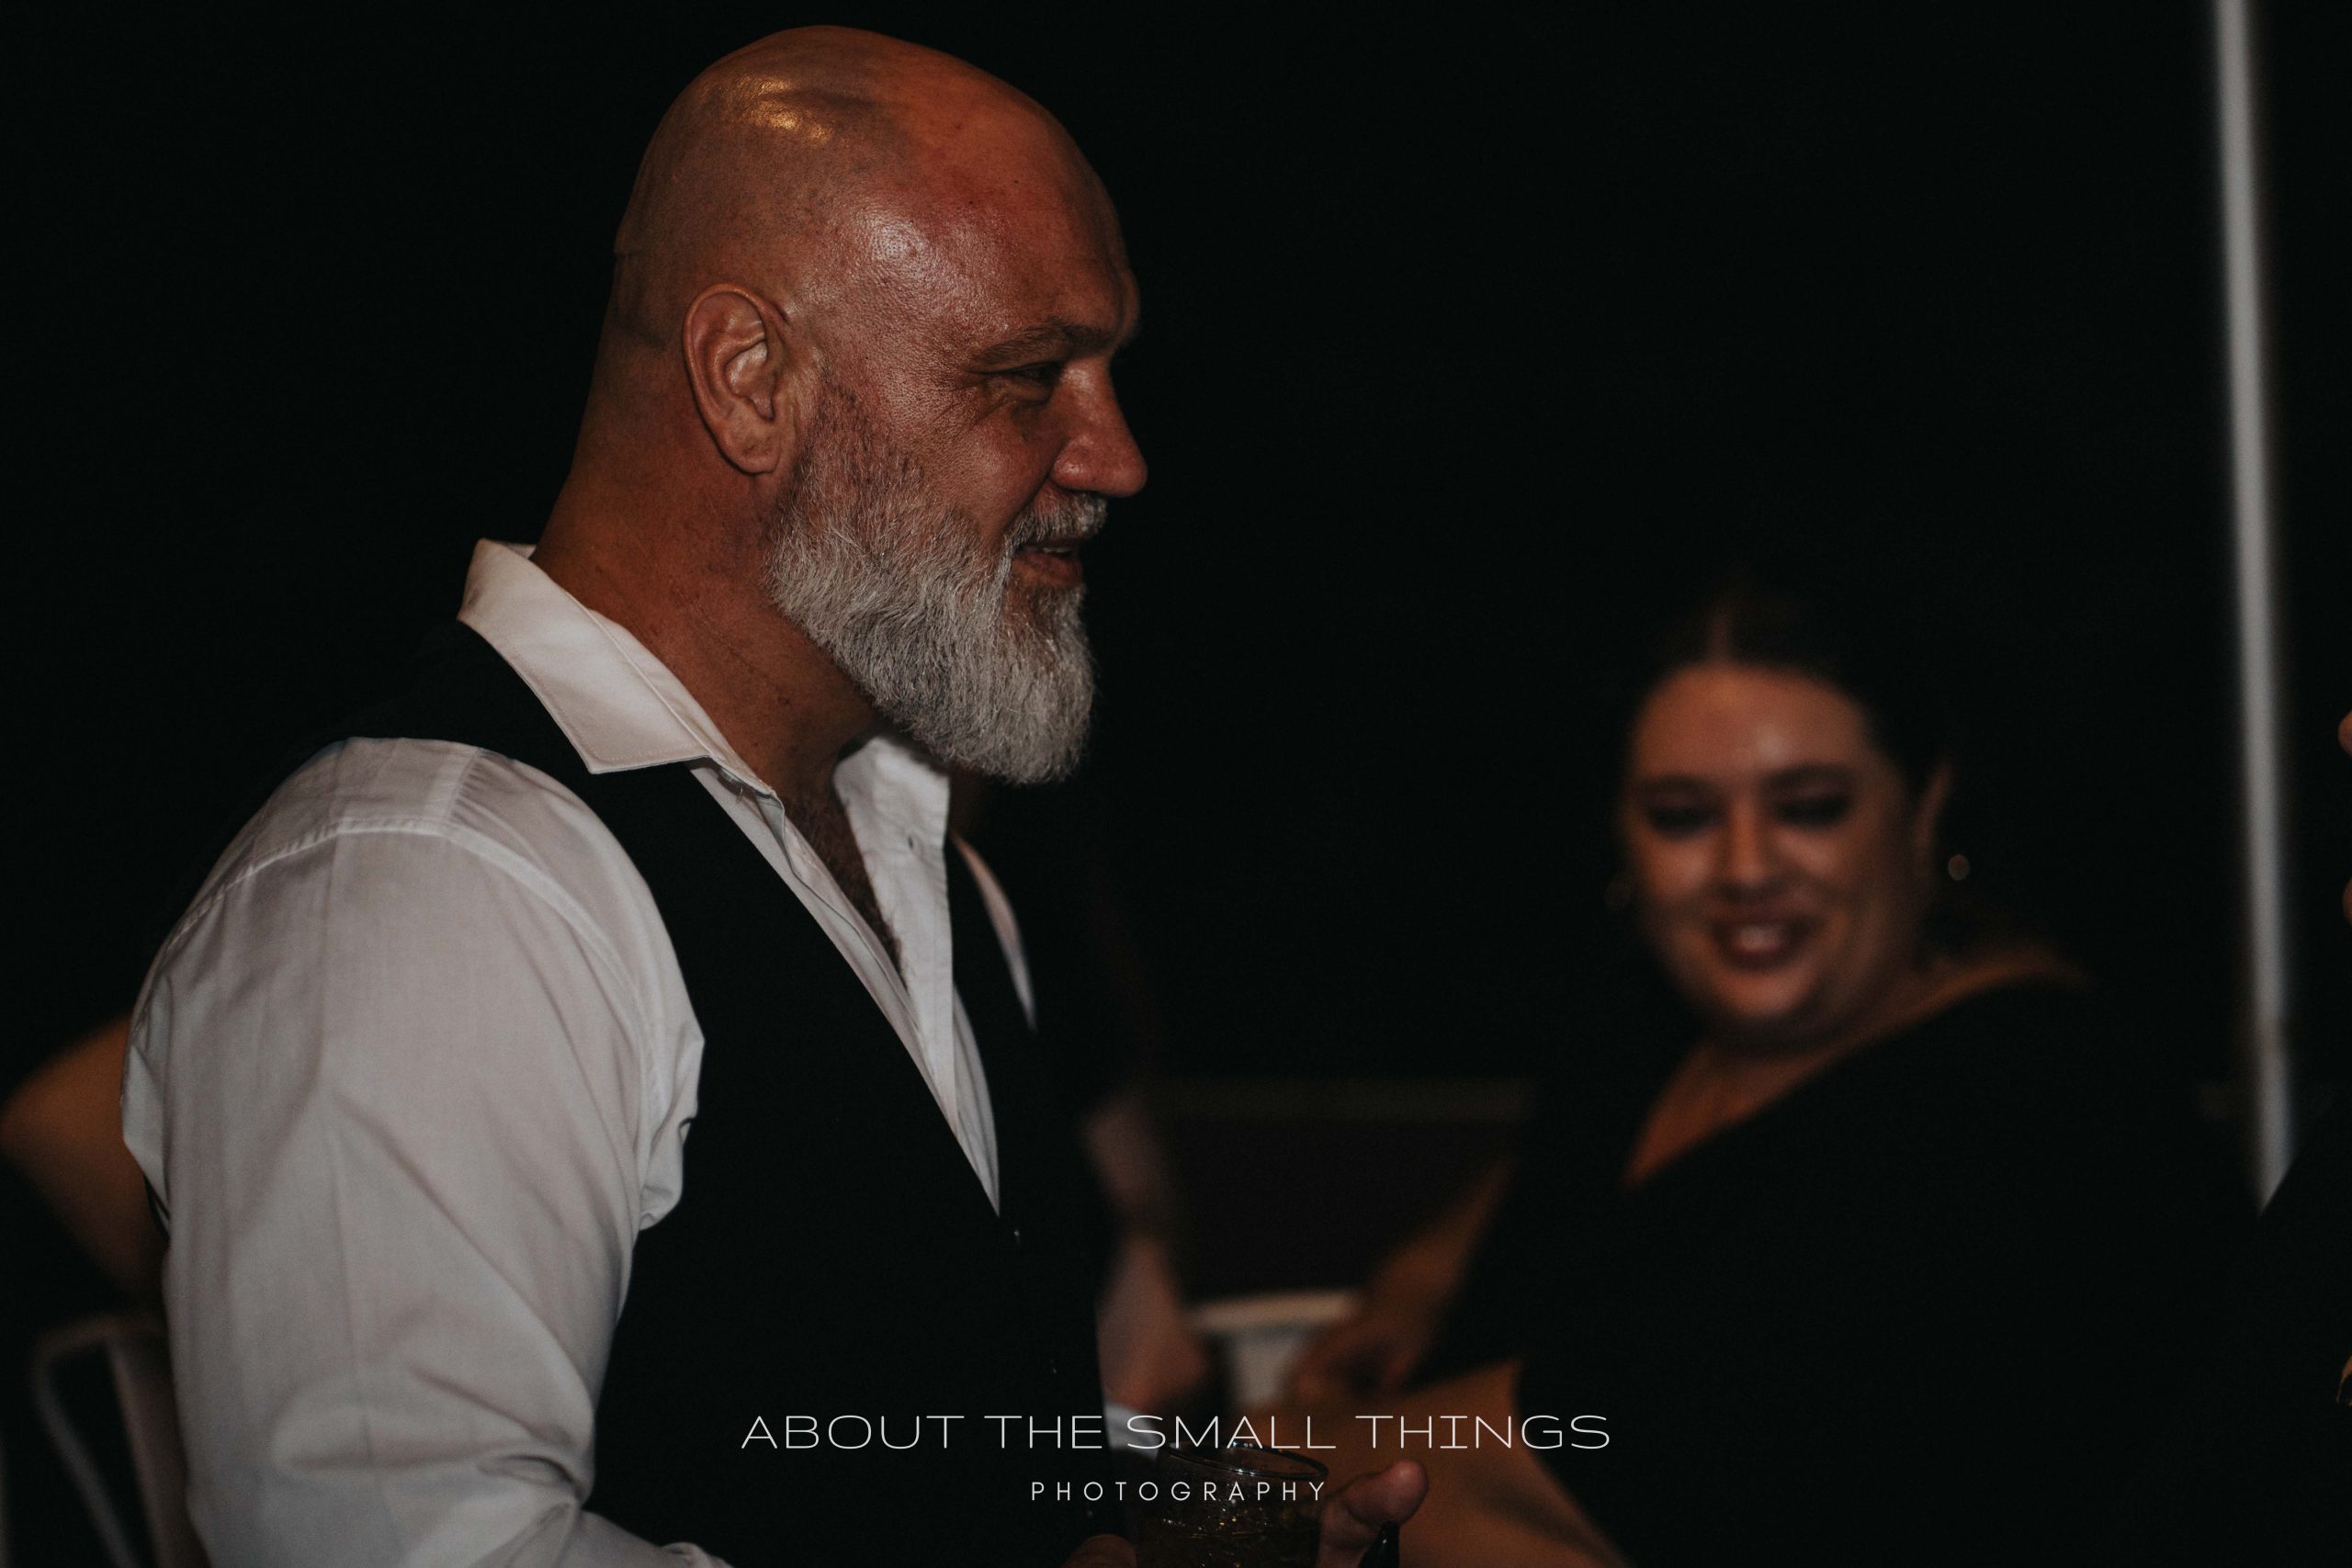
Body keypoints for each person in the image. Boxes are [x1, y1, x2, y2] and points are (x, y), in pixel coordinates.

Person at [123, 28, 1418, 1568]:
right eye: (1028, 377)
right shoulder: (429, 891)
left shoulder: (927, 863)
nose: (1116, 456)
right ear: (751, 381)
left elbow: (904, 1428)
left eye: (1107, 370)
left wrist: (1175, 1520)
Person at [1284, 573, 2239, 1565]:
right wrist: (1417, 1286)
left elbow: (1542, 1474)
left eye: (1810, 808)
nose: (1746, 868)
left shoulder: (2028, 1114)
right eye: (1682, 816)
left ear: (1924, 806)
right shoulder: (1656, 1022)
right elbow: (1575, 1184)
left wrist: (1230, 1463)